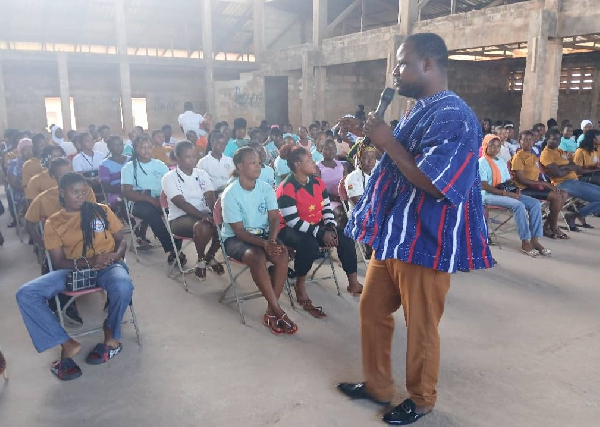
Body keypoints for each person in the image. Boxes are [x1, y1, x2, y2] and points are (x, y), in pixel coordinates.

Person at [336, 33, 494, 425]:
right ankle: (378, 386)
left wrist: (387, 141)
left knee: (421, 327)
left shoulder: (455, 115)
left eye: (402, 63)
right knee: (372, 310)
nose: (395, 71)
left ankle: (422, 399)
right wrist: (367, 134)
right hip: (393, 236)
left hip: (426, 239)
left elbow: (435, 181)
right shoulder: (418, 110)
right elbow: (400, 157)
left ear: (428, 64)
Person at [16, 172, 134, 381]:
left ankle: (111, 335)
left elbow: (121, 239)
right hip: (72, 270)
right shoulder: (54, 222)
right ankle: (66, 343)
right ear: (62, 193)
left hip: (108, 265)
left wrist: (117, 255)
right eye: (74, 192)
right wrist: (90, 262)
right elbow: (59, 261)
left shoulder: (101, 210)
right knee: (26, 293)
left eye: (84, 192)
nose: (81, 196)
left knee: (123, 285)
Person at [277, 146, 363, 313]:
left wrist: (330, 226)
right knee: (308, 243)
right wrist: (320, 233)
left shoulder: (317, 182)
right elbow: (292, 220)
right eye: (308, 160)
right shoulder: (287, 186)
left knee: (344, 236)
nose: (314, 163)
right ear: (297, 165)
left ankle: (353, 282)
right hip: (288, 229)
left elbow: (326, 209)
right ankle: (300, 283)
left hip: (314, 225)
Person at [221, 147, 296, 334]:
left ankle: (270, 311)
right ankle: (278, 309)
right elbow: (238, 231)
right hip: (235, 238)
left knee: (282, 253)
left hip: (264, 236)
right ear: (240, 166)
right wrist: (264, 245)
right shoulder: (231, 194)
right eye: (252, 163)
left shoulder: (265, 188)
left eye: (259, 163)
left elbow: (273, 219)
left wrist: (271, 241)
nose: (258, 166)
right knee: (256, 256)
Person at [162, 141, 224, 280]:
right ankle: (201, 261)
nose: (192, 159)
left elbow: (209, 196)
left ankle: (209, 257)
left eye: (194, 156)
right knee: (204, 227)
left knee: (226, 224)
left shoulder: (201, 174)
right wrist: (204, 216)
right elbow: (181, 203)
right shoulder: (169, 177)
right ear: (178, 158)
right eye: (187, 156)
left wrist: (216, 214)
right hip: (180, 218)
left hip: (203, 215)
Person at [480, 135, 550, 256]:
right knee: (518, 205)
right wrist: (506, 193)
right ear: (485, 146)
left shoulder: (501, 161)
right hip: (488, 195)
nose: (495, 149)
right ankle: (525, 241)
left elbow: (508, 181)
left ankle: (535, 240)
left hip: (504, 193)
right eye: (491, 145)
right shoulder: (482, 162)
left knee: (534, 204)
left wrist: (515, 190)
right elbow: (484, 186)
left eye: (497, 146)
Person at [121, 134, 183, 264]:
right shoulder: (129, 167)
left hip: (161, 199)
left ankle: (176, 248)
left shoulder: (159, 165)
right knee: (150, 212)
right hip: (139, 203)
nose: (146, 150)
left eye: (149, 147)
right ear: (136, 149)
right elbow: (127, 192)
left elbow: (170, 184)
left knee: (178, 212)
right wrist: (151, 200)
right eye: (142, 147)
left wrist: (164, 200)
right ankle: (173, 249)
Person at [512, 130, 569, 239]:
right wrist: (543, 183)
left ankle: (547, 226)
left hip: (535, 187)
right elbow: (522, 179)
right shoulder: (518, 157)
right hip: (523, 189)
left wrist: (544, 183)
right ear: (520, 141)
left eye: (530, 140)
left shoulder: (533, 156)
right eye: (525, 140)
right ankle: (554, 227)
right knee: (556, 197)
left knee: (564, 194)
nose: (528, 142)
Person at [540, 128, 600, 230]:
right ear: (546, 139)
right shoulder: (546, 154)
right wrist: (568, 167)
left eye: (559, 139)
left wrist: (565, 167)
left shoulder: (559, 151)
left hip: (574, 181)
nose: (557, 142)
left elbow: (574, 165)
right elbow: (557, 173)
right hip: (563, 184)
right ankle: (575, 216)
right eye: (554, 139)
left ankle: (575, 215)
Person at [99, 135, 129, 213]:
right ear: (109, 147)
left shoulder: (130, 160)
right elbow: (106, 187)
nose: (119, 147)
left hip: (132, 189)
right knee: (119, 200)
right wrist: (124, 190)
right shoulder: (104, 164)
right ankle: (125, 217)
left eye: (121, 144)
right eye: (115, 145)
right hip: (116, 193)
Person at [344, 142, 377, 210]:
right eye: (366, 158)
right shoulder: (351, 178)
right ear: (359, 159)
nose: (370, 161)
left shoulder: (377, 174)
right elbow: (359, 203)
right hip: (360, 215)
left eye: (373, 157)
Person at [6, 138, 34, 218]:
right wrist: (27, 189)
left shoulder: (37, 161)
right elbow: (13, 183)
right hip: (21, 191)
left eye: (31, 149)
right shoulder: (14, 163)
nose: (29, 152)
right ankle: (30, 221)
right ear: (20, 151)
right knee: (27, 200)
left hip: (37, 190)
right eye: (25, 150)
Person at [317, 139, 346, 212]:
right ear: (321, 150)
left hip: (344, 197)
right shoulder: (318, 168)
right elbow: (318, 190)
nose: (331, 151)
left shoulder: (341, 165)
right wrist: (336, 198)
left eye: (333, 148)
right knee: (339, 211)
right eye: (327, 149)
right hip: (328, 200)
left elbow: (348, 183)